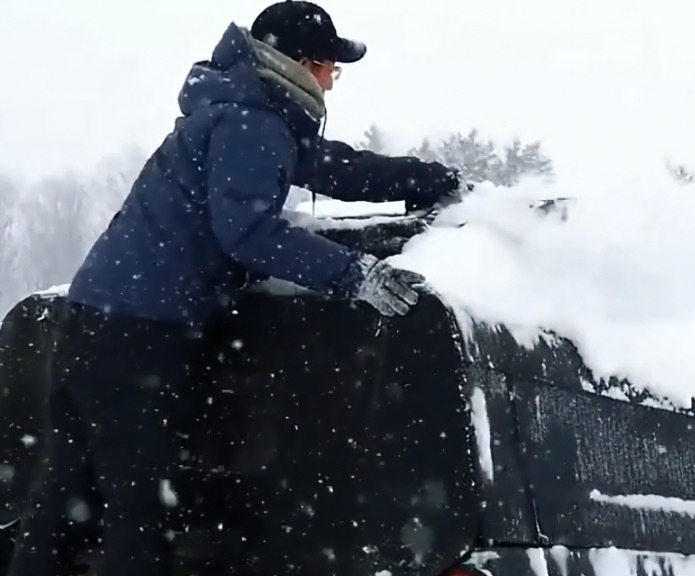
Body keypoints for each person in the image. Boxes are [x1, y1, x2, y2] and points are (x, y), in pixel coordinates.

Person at [7, 2, 465, 575]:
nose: (332, 82)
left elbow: (334, 168)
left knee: (62, 502)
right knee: (136, 513)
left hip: (96, 317)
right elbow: (248, 233)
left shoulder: (244, 111)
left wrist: (420, 178)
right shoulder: (253, 123)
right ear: (304, 63)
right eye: (331, 69)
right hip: (139, 333)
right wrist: (357, 274)